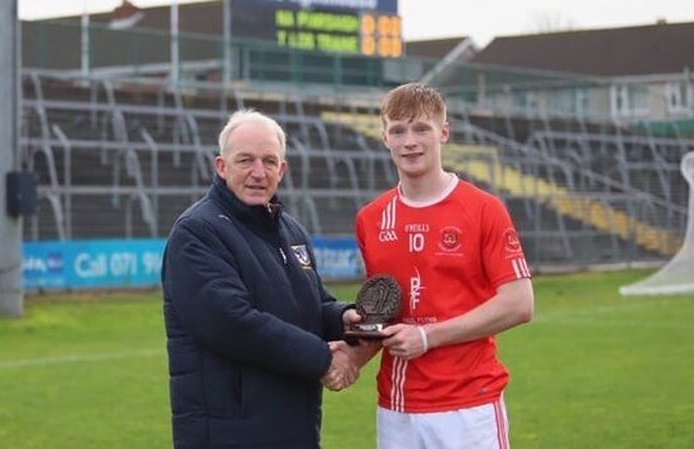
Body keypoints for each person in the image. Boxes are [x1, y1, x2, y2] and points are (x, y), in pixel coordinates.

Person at [161, 109, 361, 449]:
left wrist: (348, 319)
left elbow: (312, 305)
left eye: (269, 161)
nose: (258, 172)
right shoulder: (197, 232)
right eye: (245, 160)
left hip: (293, 426)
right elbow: (231, 323)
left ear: (282, 170)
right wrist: (324, 359)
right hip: (229, 434)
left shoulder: (289, 229)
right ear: (221, 167)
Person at [353, 82, 535, 449]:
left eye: (422, 128)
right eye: (398, 130)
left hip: (470, 406)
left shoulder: (483, 209)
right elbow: (384, 316)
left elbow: (519, 303)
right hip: (397, 407)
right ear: (385, 137)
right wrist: (351, 356)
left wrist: (428, 336)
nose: (410, 142)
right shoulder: (371, 219)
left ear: (444, 133)